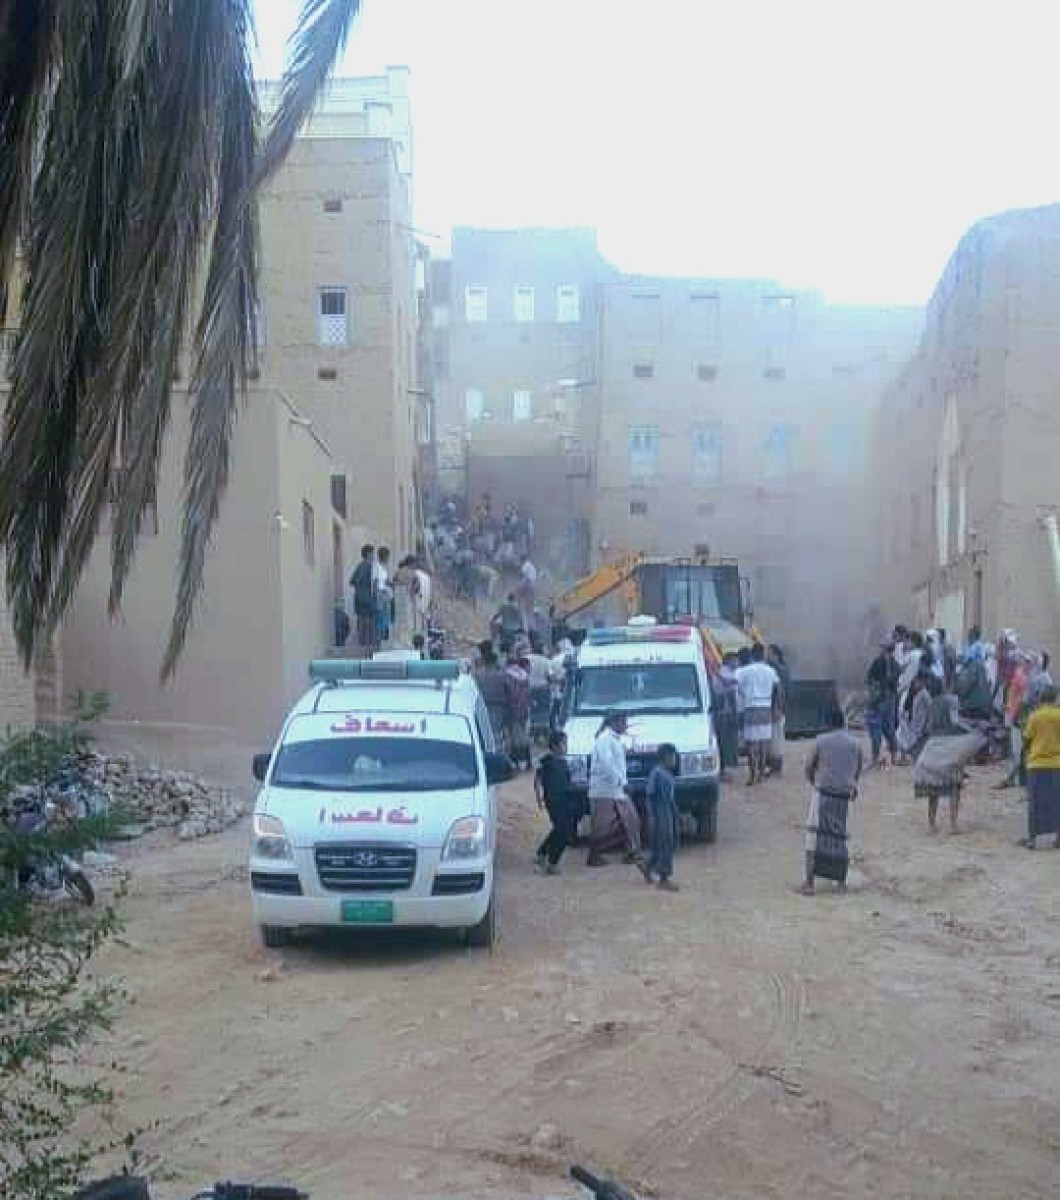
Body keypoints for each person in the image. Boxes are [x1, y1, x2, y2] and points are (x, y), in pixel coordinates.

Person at [801, 708, 863, 895]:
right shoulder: (855, 743)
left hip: (823, 794)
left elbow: (808, 767)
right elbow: (858, 769)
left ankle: (810, 883)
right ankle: (841, 881)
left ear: (827, 723)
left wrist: (814, 782)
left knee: (814, 838)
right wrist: (851, 785)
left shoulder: (820, 741)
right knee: (840, 838)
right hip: (844, 795)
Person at [913, 686, 979, 833]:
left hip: (933, 744)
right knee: (954, 786)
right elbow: (955, 722)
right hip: (950, 746)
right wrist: (970, 729)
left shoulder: (931, 703)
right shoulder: (952, 701)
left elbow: (927, 726)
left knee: (933, 789)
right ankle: (953, 824)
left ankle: (932, 824)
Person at [586, 712, 645, 868]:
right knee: (603, 826)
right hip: (604, 789)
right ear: (614, 722)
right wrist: (621, 781)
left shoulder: (612, 740)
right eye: (623, 722)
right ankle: (595, 855)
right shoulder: (605, 740)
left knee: (630, 820)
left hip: (614, 789)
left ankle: (630, 852)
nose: (626, 726)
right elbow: (607, 763)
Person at [1020, 685, 1060, 850]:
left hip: (1037, 764)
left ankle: (1032, 839)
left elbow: (1027, 739)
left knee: (1035, 803)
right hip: (1057, 764)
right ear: (1055, 698)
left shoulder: (1035, 716)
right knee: (1057, 802)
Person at [735, 643, 779, 786]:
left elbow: (733, 681)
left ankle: (752, 775)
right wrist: (775, 707)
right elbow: (777, 688)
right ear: (763, 654)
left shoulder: (745, 670)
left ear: (752, 655)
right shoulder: (770, 670)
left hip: (751, 708)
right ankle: (760, 773)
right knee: (764, 743)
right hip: (766, 707)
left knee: (751, 744)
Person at [534, 731, 573, 874]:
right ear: (555, 746)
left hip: (564, 799)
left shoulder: (563, 761)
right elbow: (537, 780)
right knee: (563, 831)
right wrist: (539, 798)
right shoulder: (548, 761)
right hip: (554, 800)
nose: (566, 747)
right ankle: (552, 863)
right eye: (563, 744)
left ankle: (542, 853)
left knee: (559, 829)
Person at [643, 743, 680, 891]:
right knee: (665, 842)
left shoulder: (668, 774)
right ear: (664, 758)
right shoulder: (657, 773)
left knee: (665, 843)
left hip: (668, 810)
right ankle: (664, 878)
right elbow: (650, 795)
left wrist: (675, 811)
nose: (674, 760)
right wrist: (651, 816)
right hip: (660, 811)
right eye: (672, 757)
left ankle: (648, 867)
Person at [866, 638, 900, 767]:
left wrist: (873, 693)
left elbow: (869, 679)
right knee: (889, 729)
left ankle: (875, 760)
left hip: (878, 700)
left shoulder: (878, 662)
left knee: (876, 730)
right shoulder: (896, 664)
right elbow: (895, 683)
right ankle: (894, 757)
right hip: (890, 700)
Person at [475, 644, 509, 751]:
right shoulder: (502, 674)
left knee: (485, 730)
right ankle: (497, 752)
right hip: (499, 706)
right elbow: (508, 690)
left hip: (483, 706)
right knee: (496, 732)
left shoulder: (478, 675)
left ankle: (487, 751)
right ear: (495, 661)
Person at [503, 649, 533, 771]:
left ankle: (515, 761)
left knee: (513, 737)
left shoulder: (507, 676)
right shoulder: (524, 675)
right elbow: (528, 693)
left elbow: (507, 694)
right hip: (524, 710)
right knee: (524, 735)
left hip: (512, 710)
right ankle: (528, 760)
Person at [714, 654, 741, 779]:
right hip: (725, 714)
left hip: (722, 713)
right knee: (723, 742)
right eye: (736, 660)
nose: (738, 662)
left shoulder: (723, 672)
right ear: (730, 661)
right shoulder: (726, 674)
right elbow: (729, 695)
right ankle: (722, 769)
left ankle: (722, 768)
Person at [897, 674, 931, 764]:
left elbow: (929, 708)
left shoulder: (924, 694)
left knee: (916, 743)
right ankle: (903, 757)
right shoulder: (907, 692)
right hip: (906, 718)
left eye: (920, 682)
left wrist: (927, 724)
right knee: (903, 738)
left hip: (919, 721)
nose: (919, 684)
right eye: (917, 682)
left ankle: (917, 760)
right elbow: (902, 705)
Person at [766, 644, 789, 777]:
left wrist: (778, 708)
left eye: (769, 653)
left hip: (777, 710)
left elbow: (781, 692)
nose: (766, 655)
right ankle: (774, 767)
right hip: (776, 709)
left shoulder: (778, 670)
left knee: (776, 740)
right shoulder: (779, 669)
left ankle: (776, 768)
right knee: (775, 739)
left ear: (775, 655)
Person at [350, 544, 377, 652]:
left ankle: (364, 646)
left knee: (363, 623)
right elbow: (355, 580)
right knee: (368, 624)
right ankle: (366, 648)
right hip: (366, 599)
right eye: (372, 553)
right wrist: (364, 590)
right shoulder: (367, 565)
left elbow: (352, 581)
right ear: (368, 554)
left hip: (361, 598)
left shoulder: (361, 565)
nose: (374, 555)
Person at [374, 546, 393, 644]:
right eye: (387, 556)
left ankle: (383, 638)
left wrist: (393, 584)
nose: (388, 559)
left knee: (385, 617)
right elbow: (375, 582)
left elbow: (385, 580)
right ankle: (379, 639)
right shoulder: (377, 567)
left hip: (384, 594)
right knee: (381, 617)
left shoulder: (382, 568)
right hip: (380, 594)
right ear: (384, 556)